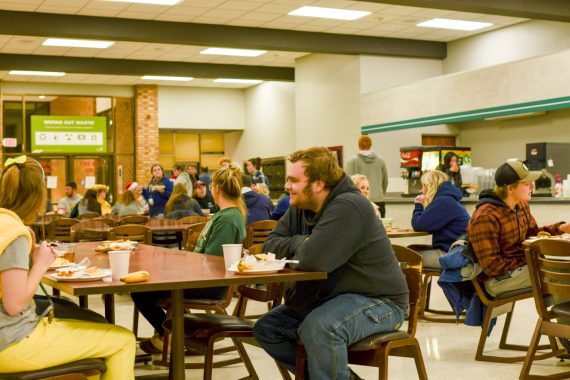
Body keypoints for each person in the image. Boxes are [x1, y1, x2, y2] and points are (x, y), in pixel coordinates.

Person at [253, 147, 408, 379]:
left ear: (318, 183)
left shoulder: (349, 206)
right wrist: (304, 241)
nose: (287, 186)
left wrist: (302, 247)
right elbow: (269, 246)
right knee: (267, 328)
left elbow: (313, 259)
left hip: (379, 303)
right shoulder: (299, 207)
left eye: (293, 180)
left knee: (321, 327)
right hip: (331, 300)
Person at [0, 155, 135, 378]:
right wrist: (41, 264)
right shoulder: (14, 233)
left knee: (96, 341)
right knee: (123, 341)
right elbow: (14, 304)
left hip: (10, 337)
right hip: (13, 341)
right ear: (38, 196)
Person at [132, 163, 246, 353]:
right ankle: (180, 335)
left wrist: (181, 262)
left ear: (216, 188)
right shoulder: (225, 215)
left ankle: (169, 337)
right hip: (204, 278)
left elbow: (213, 261)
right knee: (150, 285)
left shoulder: (227, 219)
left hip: (210, 285)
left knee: (141, 290)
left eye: (211, 187)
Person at [469, 159, 570, 297]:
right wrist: (528, 258)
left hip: (521, 269)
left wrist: (562, 228)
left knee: (564, 272)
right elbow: (492, 267)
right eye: (526, 184)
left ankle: (561, 316)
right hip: (497, 280)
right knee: (560, 276)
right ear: (510, 188)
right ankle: (558, 315)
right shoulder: (485, 216)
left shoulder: (521, 205)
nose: (532, 187)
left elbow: (533, 235)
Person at [411, 170, 470, 269]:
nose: (421, 190)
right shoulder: (447, 199)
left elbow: (418, 225)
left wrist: (418, 205)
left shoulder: (443, 201)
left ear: (430, 186)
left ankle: (411, 285)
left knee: (405, 257)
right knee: (411, 249)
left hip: (452, 256)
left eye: (423, 186)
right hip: (459, 252)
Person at [345, 135, 389, 218]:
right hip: (379, 201)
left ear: (358, 145)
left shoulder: (351, 161)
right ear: (371, 145)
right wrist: (380, 194)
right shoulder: (381, 161)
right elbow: (385, 181)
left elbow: (347, 184)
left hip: (358, 203)